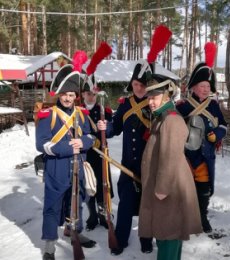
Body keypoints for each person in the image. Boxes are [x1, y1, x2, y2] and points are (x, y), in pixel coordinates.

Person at [36, 65, 96, 260]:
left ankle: (74, 232)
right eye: (64, 95)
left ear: (75, 96)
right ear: (59, 95)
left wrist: (84, 142)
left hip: (78, 166)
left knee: (76, 203)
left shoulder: (82, 114)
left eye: (71, 95)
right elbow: (41, 144)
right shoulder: (48, 115)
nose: (67, 98)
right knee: (52, 206)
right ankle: (50, 245)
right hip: (56, 168)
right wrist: (69, 147)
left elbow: (90, 137)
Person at [139, 74, 202, 260]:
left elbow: (171, 157)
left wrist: (162, 188)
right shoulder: (162, 117)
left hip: (169, 188)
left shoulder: (171, 120)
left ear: (166, 97)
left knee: (169, 233)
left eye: (155, 97)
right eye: (149, 97)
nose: (150, 102)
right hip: (163, 186)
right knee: (165, 232)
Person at [97, 61, 153, 255]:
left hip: (149, 165)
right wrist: (107, 128)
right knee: (126, 203)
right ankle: (120, 239)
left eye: (143, 85)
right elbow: (116, 127)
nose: (139, 88)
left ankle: (146, 239)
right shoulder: (126, 105)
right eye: (136, 84)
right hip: (128, 163)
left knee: (147, 204)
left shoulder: (155, 104)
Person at [176, 59, 227, 233]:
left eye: (208, 86)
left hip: (206, 155)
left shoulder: (213, 106)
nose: (206, 89)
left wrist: (217, 135)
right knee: (186, 189)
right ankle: (187, 217)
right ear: (194, 86)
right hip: (187, 155)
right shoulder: (183, 106)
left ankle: (202, 217)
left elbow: (223, 125)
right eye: (202, 85)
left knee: (204, 189)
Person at [81, 81, 113, 230]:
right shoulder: (78, 111)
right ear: (83, 95)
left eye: (93, 94)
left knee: (102, 185)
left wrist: (106, 128)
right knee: (89, 185)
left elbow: (111, 131)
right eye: (88, 94)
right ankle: (92, 216)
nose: (91, 97)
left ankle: (102, 216)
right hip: (85, 155)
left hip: (100, 154)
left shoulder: (104, 111)